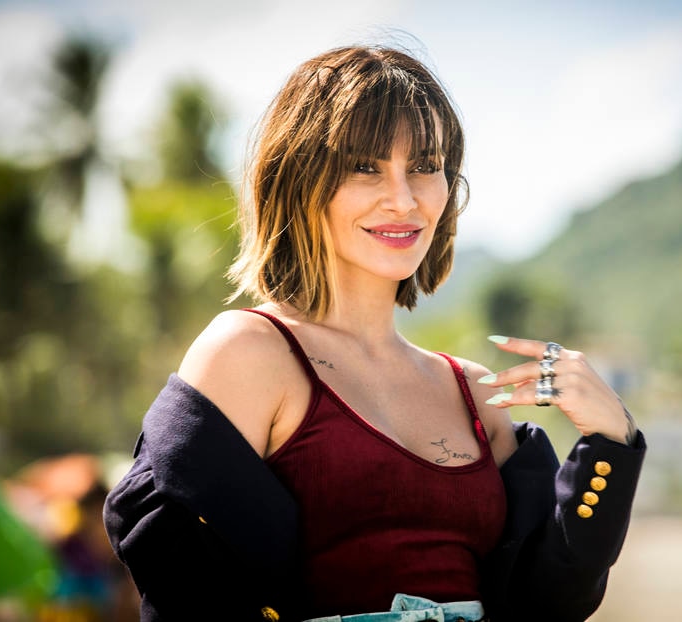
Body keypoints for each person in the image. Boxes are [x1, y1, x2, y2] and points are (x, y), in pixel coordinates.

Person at [103, 44, 646, 622]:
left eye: (425, 166)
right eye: (365, 167)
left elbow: (549, 601)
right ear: (298, 178)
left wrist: (610, 440)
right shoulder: (249, 352)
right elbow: (182, 585)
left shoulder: (474, 392)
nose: (403, 199)